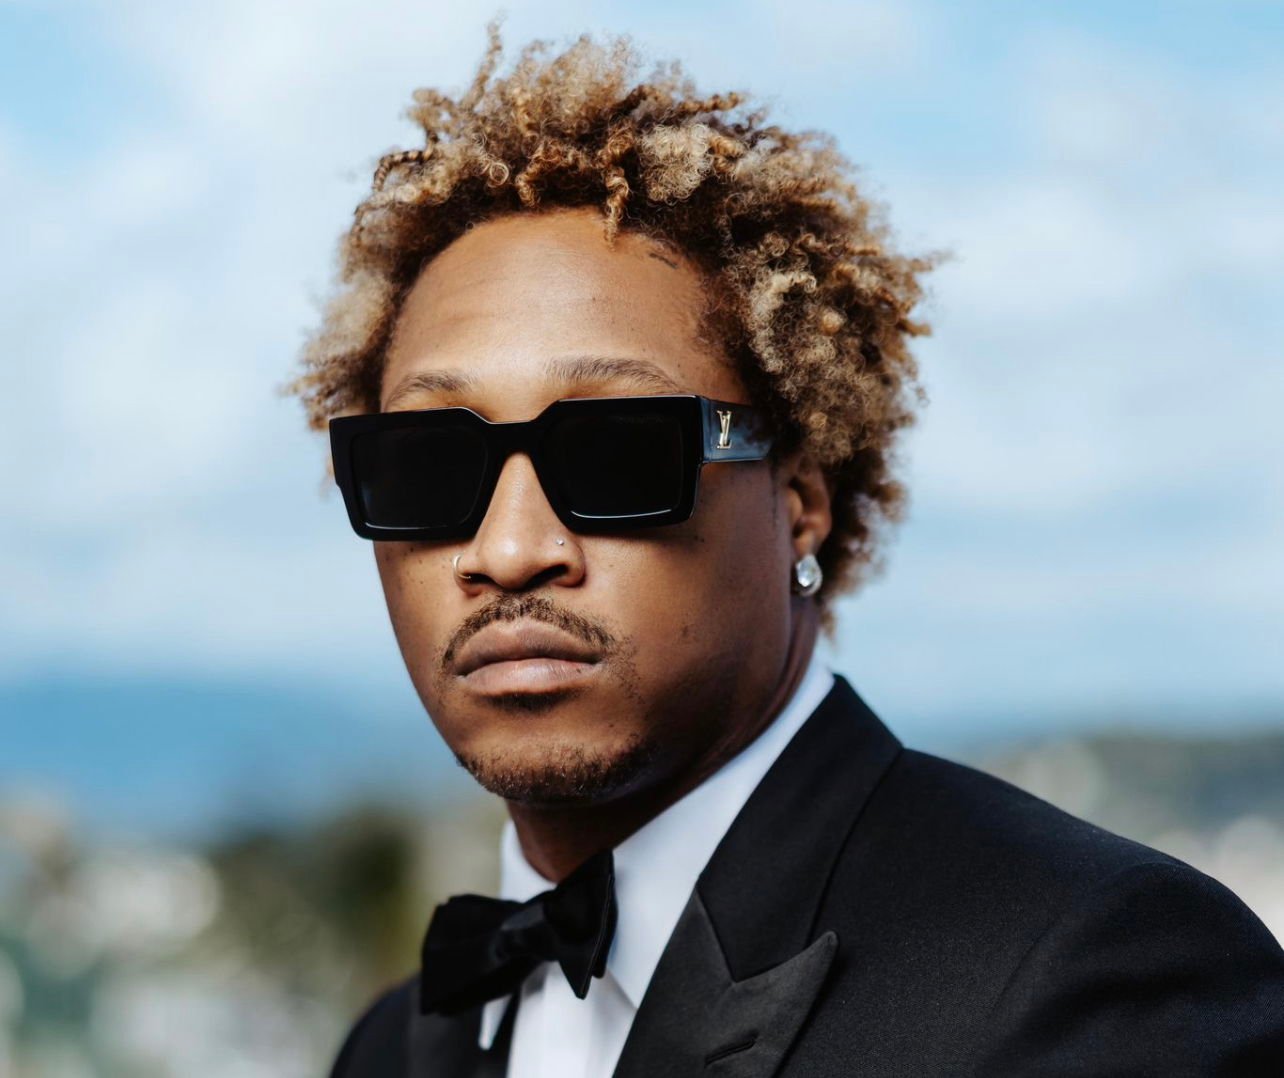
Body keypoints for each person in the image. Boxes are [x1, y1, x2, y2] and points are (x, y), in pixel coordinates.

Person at [285, 25, 1284, 1077]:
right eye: (428, 466)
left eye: (617, 455)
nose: (509, 548)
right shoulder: (390, 1049)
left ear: (800, 501)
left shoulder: (1099, 979)